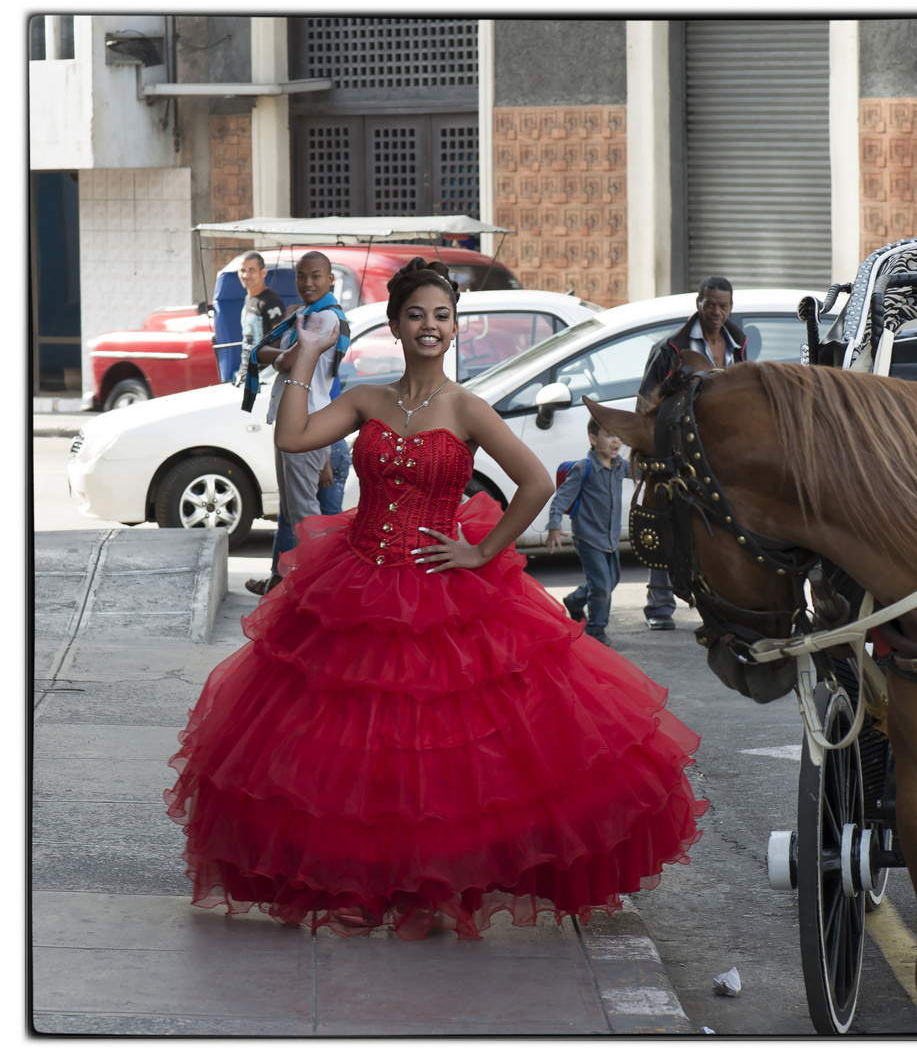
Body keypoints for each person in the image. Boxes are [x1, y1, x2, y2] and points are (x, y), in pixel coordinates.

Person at [165, 257, 706, 941]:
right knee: (354, 756)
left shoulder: (469, 408)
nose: (430, 325)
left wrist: (481, 551)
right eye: (416, 314)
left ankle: (433, 887)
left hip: (440, 592)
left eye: (442, 316)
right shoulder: (366, 398)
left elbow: (536, 483)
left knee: (439, 761)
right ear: (394, 325)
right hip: (355, 583)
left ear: (453, 330)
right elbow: (292, 436)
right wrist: (304, 354)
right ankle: (357, 884)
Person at [635, 276, 748, 630]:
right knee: (668, 518)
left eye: (723, 306)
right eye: (710, 304)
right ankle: (659, 607)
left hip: (721, 448)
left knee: (717, 525)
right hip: (677, 446)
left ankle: (714, 602)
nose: (716, 312)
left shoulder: (737, 343)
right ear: (698, 303)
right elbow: (646, 401)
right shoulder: (671, 348)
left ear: (731, 307)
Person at [242, 252, 349, 596]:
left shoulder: (324, 320)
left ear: (331, 280)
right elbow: (265, 355)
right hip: (294, 422)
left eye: (316, 276)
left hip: (307, 423)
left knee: (306, 517)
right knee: (291, 514)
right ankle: (291, 585)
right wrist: (275, 355)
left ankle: (321, 589)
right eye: (302, 277)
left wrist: (275, 356)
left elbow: (285, 361)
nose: (307, 283)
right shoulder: (305, 315)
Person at [545, 418, 627, 647]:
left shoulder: (620, 465)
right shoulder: (584, 467)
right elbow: (561, 498)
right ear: (593, 439)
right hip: (588, 537)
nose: (616, 440)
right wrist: (554, 525)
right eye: (610, 435)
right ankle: (596, 629)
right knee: (601, 585)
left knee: (611, 581)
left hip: (610, 537)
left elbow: (643, 468)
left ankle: (574, 600)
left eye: (618, 435)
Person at [232, 251, 285, 385]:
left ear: (263, 273)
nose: (246, 275)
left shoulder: (271, 301)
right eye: (242, 270)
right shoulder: (249, 299)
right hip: (245, 372)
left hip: (263, 377)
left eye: (251, 270)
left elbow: (282, 340)